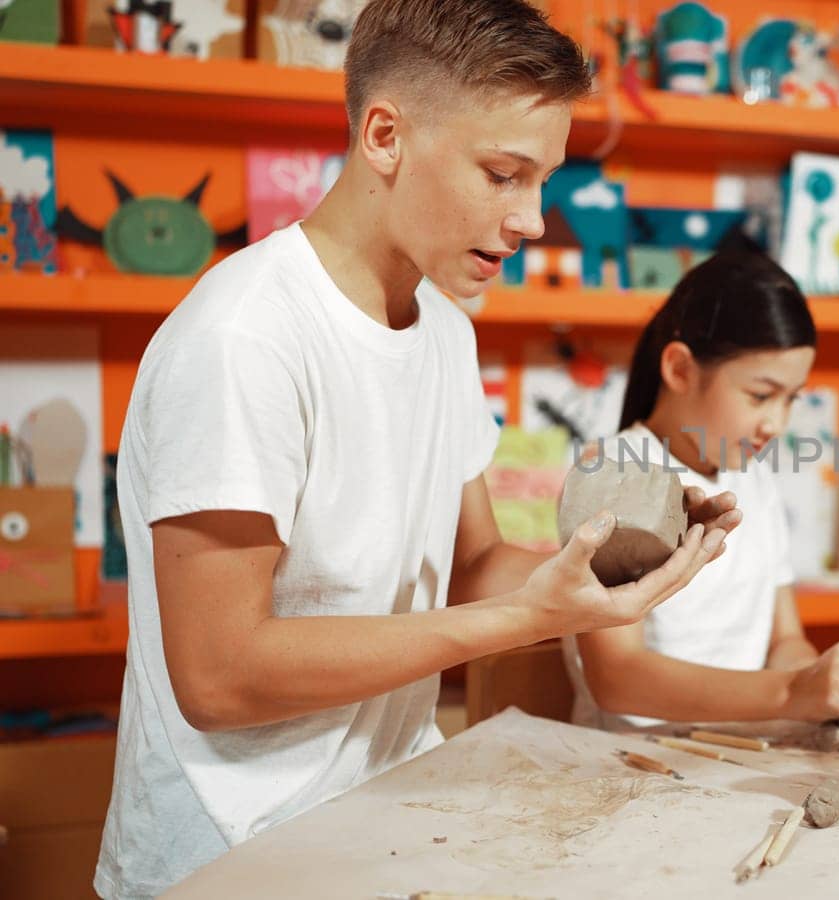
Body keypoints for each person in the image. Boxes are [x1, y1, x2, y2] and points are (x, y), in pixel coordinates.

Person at [95, 3, 738, 896]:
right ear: (385, 136)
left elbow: (472, 565)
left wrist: (621, 562)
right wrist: (527, 621)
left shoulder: (443, 329)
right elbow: (218, 675)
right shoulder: (243, 338)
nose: (533, 221)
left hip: (382, 823)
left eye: (542, 180)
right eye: (503, 174)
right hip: (233, 854)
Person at [565, 250, 839, 730]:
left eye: (791, 399)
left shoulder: (753, 475)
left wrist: (818, 678)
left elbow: (784, 641)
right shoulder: (614, 473)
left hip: (742, 751)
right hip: (631, 765)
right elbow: (618, 679)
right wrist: (789, 692)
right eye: (761, 396)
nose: (776, 423)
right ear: (679, 370)